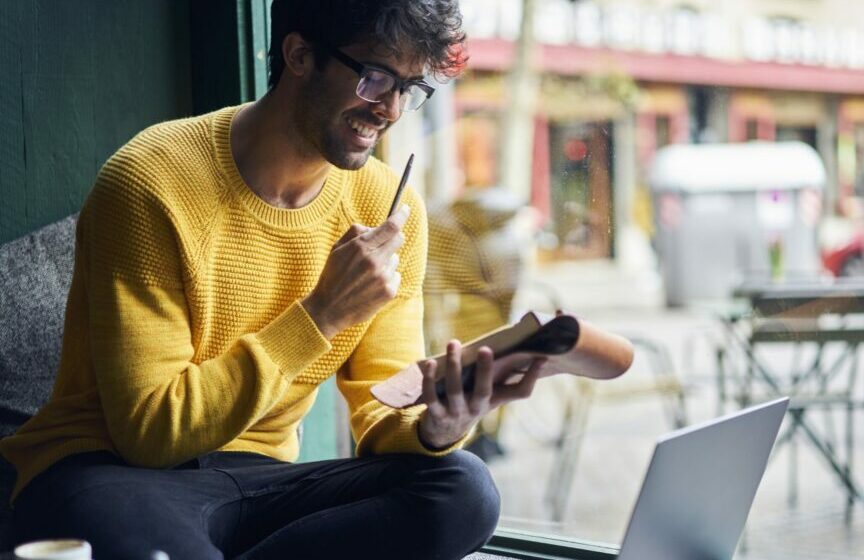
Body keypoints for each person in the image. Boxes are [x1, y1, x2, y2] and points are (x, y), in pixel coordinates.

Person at [0, 1, 545, 558]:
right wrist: (322, 313)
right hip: (107, 471)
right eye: (375, 77)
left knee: (463, 489)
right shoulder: (152, 180)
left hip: (261, 479)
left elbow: (382, 409)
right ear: (300, 55)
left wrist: (437, 425)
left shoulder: (387, 203)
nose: (391, 109)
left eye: (410, 87)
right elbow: (151, 433)